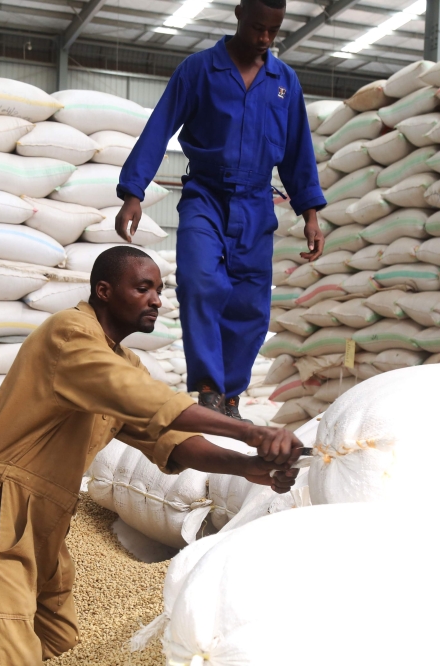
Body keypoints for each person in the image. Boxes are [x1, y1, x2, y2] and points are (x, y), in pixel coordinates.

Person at [0, 246, 307, 666]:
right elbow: (145, 399)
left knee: (57, 636)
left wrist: (246, 466)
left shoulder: (123, 362)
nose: (156, 300)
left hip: (46, 513)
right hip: (0, 502)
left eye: (159, 290)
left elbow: (170, 437)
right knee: (0, 644)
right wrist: (250, 430)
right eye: (143, 288)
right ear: (105, 291)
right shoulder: (70, 333)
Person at [115, 0, 327, 422]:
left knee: (249, 304)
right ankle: (209, 388)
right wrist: (133, 192)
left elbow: (298, 149)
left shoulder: (283, 81)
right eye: (257, 28)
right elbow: (160, 128)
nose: (264, 38)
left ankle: (230, 399)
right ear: (238, 14)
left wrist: (310, 213)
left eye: (273, 31)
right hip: (206, 196)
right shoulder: (199, 70)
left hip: (256, 203)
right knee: (200, 282)